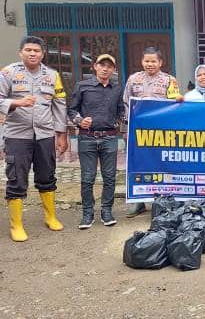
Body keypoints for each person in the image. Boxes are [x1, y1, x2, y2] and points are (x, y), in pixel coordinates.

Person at [0, 36, 68, 242]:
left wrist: (62, 134)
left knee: (47, 175)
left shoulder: (52, 75)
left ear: (42, 54)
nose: (32, 53)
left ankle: (50, 216)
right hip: (17, 135)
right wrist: (17, 103)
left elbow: (60, 104)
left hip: (45, 135)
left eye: (36, 51)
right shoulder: (8, 73)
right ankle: (17, 225)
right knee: (16, 179)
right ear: (21, 52)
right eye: (28, 50)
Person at [123, 47, 182, 218]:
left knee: (161, 164)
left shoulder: (169, 80)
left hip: (160, 133)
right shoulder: (133, 79)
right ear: (142, 62)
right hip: (138, 132)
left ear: (160, 62)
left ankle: (163, 200)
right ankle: (138, 202)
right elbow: (126, 104)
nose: (150, 64)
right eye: (147, 61)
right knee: (137, 164)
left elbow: (174, 104)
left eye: (153, 61)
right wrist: (126, 129)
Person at [67, 54, 124, 229]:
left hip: (109, 137)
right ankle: (87, 213)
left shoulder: (117, 88)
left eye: (109, 66)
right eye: (102, 65)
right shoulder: (82, 86)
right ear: (95, 66)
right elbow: (72, 110)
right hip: (87, 137)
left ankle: (106, 211)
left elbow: (121, 110)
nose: (105, 68)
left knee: (109, 177)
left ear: (114, 69)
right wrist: (79, 120)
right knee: (87, 177)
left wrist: (121, 120)